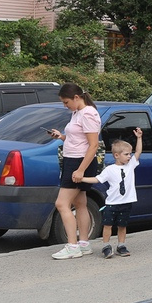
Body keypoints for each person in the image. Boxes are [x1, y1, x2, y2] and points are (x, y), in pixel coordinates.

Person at [50, 83, 102, 260]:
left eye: (66, 102)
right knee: (80, 203)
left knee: (61, 203)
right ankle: (84, 244)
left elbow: (93, 145)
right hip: (73, 160)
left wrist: (80, 170)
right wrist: (62, 136)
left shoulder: (88, 113)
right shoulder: (77, 113)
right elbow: (78, 138)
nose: (65, 106)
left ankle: (72, 246)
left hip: (79, 162)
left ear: (77, 97)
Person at [80, 127, 142, 258]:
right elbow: (97, 179)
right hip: (112, 203)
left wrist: (139, 138)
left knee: (122, 225)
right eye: (126, 154)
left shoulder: (130, 165)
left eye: (130, 154)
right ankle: (106, 246)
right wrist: (82, 178)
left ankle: (121, 245)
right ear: (116, 155)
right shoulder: (110, 169)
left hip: (126, 202)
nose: (129, 156)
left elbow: (138, 152)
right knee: (107, 225)